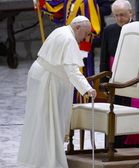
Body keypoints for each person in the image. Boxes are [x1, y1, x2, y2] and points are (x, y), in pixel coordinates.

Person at [17, 16, 97, 168]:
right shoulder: (68, 39)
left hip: (42, 75)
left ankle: (41, 160)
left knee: (42, 119)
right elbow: (72, 71)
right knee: (49, 120)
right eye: (85, 33)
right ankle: (49, 162)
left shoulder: (61, 31)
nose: (85, 37)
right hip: (48, 80)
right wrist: (87, 88)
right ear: (78, 28)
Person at [100, 0, 139, 148]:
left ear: (130, 12)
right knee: (114, 113)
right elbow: (104, 57)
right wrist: (103, 81)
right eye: (116, 15)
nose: (119, 19)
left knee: (131, 112)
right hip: (115, 80)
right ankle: (113, 145)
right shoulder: (109, 30)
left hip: (135, 80)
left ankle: (133, 146)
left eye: (122, 15)